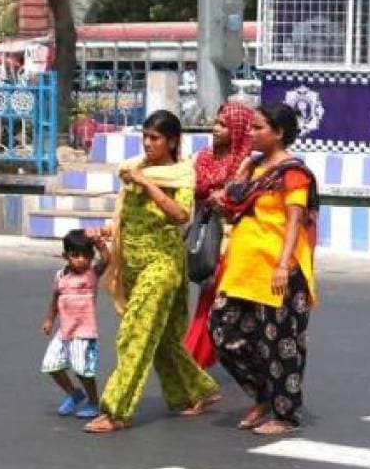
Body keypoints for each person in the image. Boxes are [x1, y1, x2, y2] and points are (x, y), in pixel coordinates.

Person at [84, 110, 219, 433]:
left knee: (135, 333)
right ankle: (196, 390)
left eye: (155, 138)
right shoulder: (134, 168)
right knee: (165, 340)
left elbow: (181, 215)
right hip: (132, 263)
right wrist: (107, 230)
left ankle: (116, 409)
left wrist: (148, 184)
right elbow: (126, 216)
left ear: (172, 141)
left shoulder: (180, 174)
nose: (147, 143)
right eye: (145, 136)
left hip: (162, 266)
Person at [210, 103, 319, 435]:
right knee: (222, 333)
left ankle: (285, 414)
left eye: (259, 128)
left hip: (277, 269)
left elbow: (295, 221)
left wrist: (284, 264)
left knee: (280, 343)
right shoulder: (254, 168)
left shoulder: (293, 173)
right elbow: (231, 211)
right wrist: (241, 173)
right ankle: (263, 395)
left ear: (279, 132)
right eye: (252, 127)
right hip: (243, 268)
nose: (251, 133)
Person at [183, 102, 255, 368]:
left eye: (224, 124)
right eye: (216, 122)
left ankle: (196, 361)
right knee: (209, 299)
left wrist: (223, 199)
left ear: (237, 129)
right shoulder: (202, 157)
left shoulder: (247, 164)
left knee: (219, 304)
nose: (215, 128)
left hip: (234, 240)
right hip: (207, 236)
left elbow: (240, 200)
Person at [40, 229, 109, 419]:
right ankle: (74, 394)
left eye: (86, 256)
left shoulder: (91, 274)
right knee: (51, 365)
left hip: (84, 333)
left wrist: (102, 246)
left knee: (83, 370)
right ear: (65, 256)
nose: (81, 260)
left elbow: (105, 261)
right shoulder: (60, 276)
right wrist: (49, 319)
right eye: (75, 255)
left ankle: (94, 402)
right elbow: (55, 299)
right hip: (64, 332)